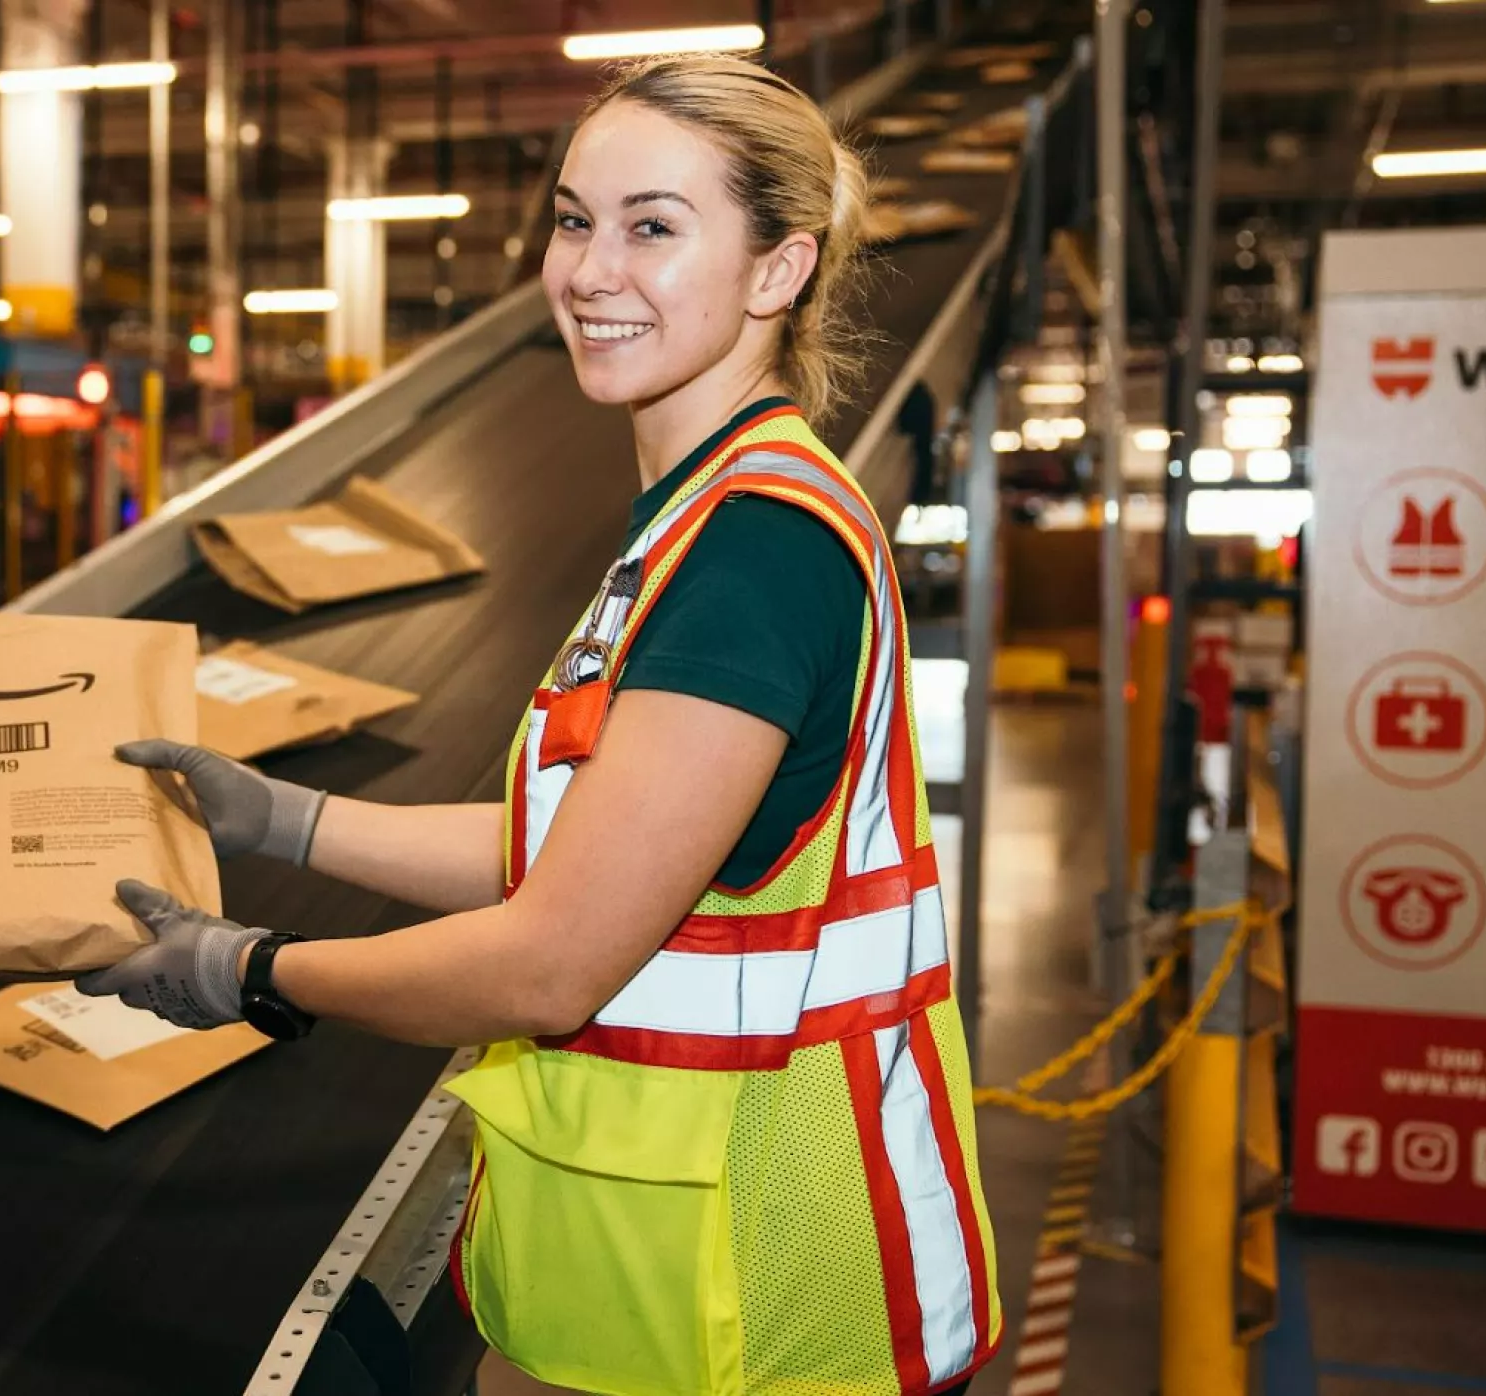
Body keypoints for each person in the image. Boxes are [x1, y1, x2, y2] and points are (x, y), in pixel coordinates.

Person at [78, 54, 999, 1396]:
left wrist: (255, 972)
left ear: (777, 271)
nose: (588, 269)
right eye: (575, 218)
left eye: (654, 227)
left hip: (771, 1283)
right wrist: (288, 818)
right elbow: (577, 848)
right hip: (652, 1256)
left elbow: (550, 962)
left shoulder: (755, 553)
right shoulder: (695, 513)